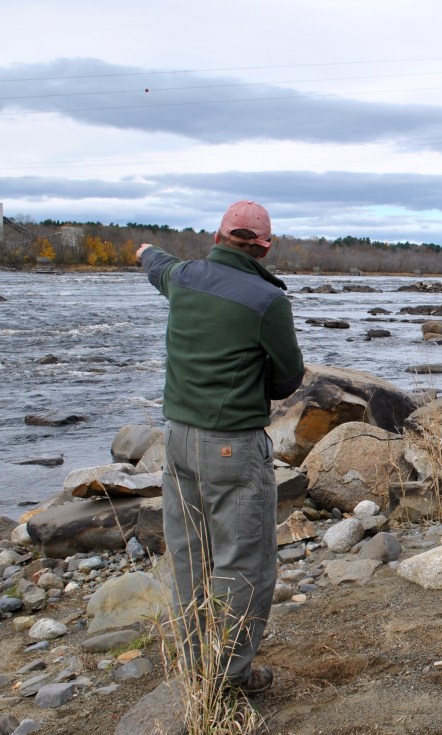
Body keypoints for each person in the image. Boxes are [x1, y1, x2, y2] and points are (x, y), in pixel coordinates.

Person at [136, 201, 305, 695]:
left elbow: (158, 265)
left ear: (217, 236)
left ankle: (197, 666)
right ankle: (230, 677)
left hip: (178, 443)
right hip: (232, 445)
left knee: (191, 558)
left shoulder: (184, 278)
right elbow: (289, 378)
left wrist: (146, 250)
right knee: (243, 562)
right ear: (264, 247)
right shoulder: (266, 300)